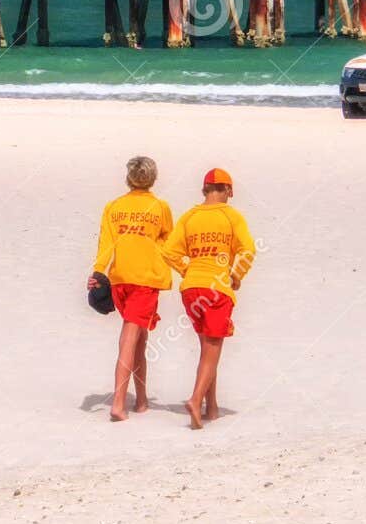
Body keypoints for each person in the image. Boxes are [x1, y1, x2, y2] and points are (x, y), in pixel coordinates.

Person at [162, 167, 256, 430]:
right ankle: (195, 400)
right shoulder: (230, 216)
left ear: (205, 190)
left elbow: (169, 251)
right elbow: (248, 249)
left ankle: (211, 407)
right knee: (213, 349)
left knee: (207, 348)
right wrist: (236, 275)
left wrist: (187, 270)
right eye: (229, 191)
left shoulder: (190, 217)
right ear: (226, 190)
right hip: (216, 288)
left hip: (191, 288)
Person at [88, 156, 174, 422]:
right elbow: (169, 243)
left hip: (120, 278)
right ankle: (118, 403)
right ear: (153, 178)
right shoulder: (160, 207)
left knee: (139, 339)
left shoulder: (114, 207)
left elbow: (106, 243)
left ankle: (142, 400)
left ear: (129, 178)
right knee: (129, 338)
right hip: (144, 280)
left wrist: (99, 271)